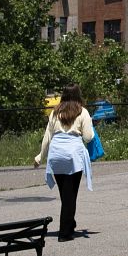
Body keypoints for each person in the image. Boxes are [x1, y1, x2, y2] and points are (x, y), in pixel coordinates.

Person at [34, 98, 94, 241]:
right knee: (70, 195)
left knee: (65, 194)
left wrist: (40, 156)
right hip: (73, 156)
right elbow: (88, 137)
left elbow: (47, 136)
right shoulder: (82, 111)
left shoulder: (55, 112)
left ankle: (70, 223)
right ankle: (64, 232)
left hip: (56, 155)